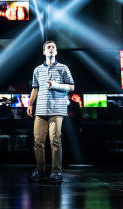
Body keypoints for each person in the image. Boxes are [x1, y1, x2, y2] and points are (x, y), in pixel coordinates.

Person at [27, 40, 74, 183]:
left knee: (55, 141)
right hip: (40, 110)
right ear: (44, 52)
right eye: (49, 47)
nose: (51, 49)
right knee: (38, 142)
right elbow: (35, 88)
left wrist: (56, 85)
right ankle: (40, 170)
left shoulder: (63, 68)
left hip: (57, 109)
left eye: (53, 47)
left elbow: (71, 87)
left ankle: (56, 172)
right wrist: (30, 104)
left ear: (56, 51)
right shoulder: (37, 70)